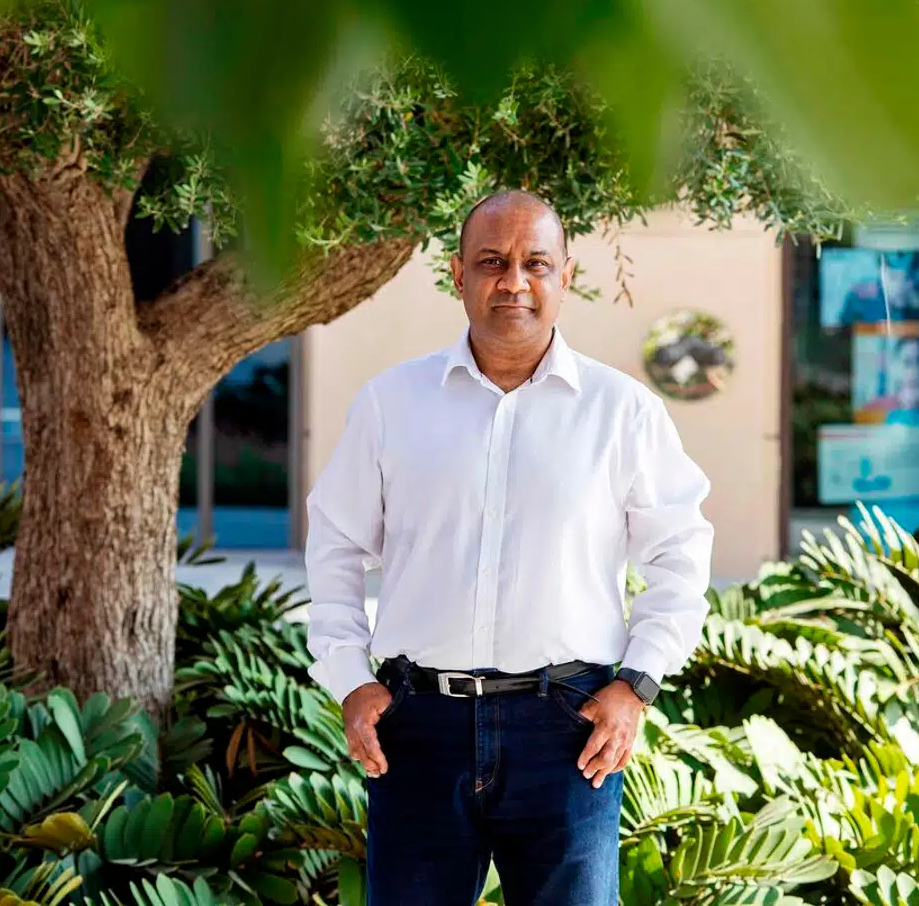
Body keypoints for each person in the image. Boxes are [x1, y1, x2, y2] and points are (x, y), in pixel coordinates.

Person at [304, 189, 715, 905]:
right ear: (458, 275)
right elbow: (335, 545)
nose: (514, 282)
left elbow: (680, 554)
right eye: (492, 262)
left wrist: (637, 685)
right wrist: (348, 676)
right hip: (418, 725)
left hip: (569, 731)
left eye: (535, 263)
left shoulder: (623, 413)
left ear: (566, 275)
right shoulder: (390, 403)